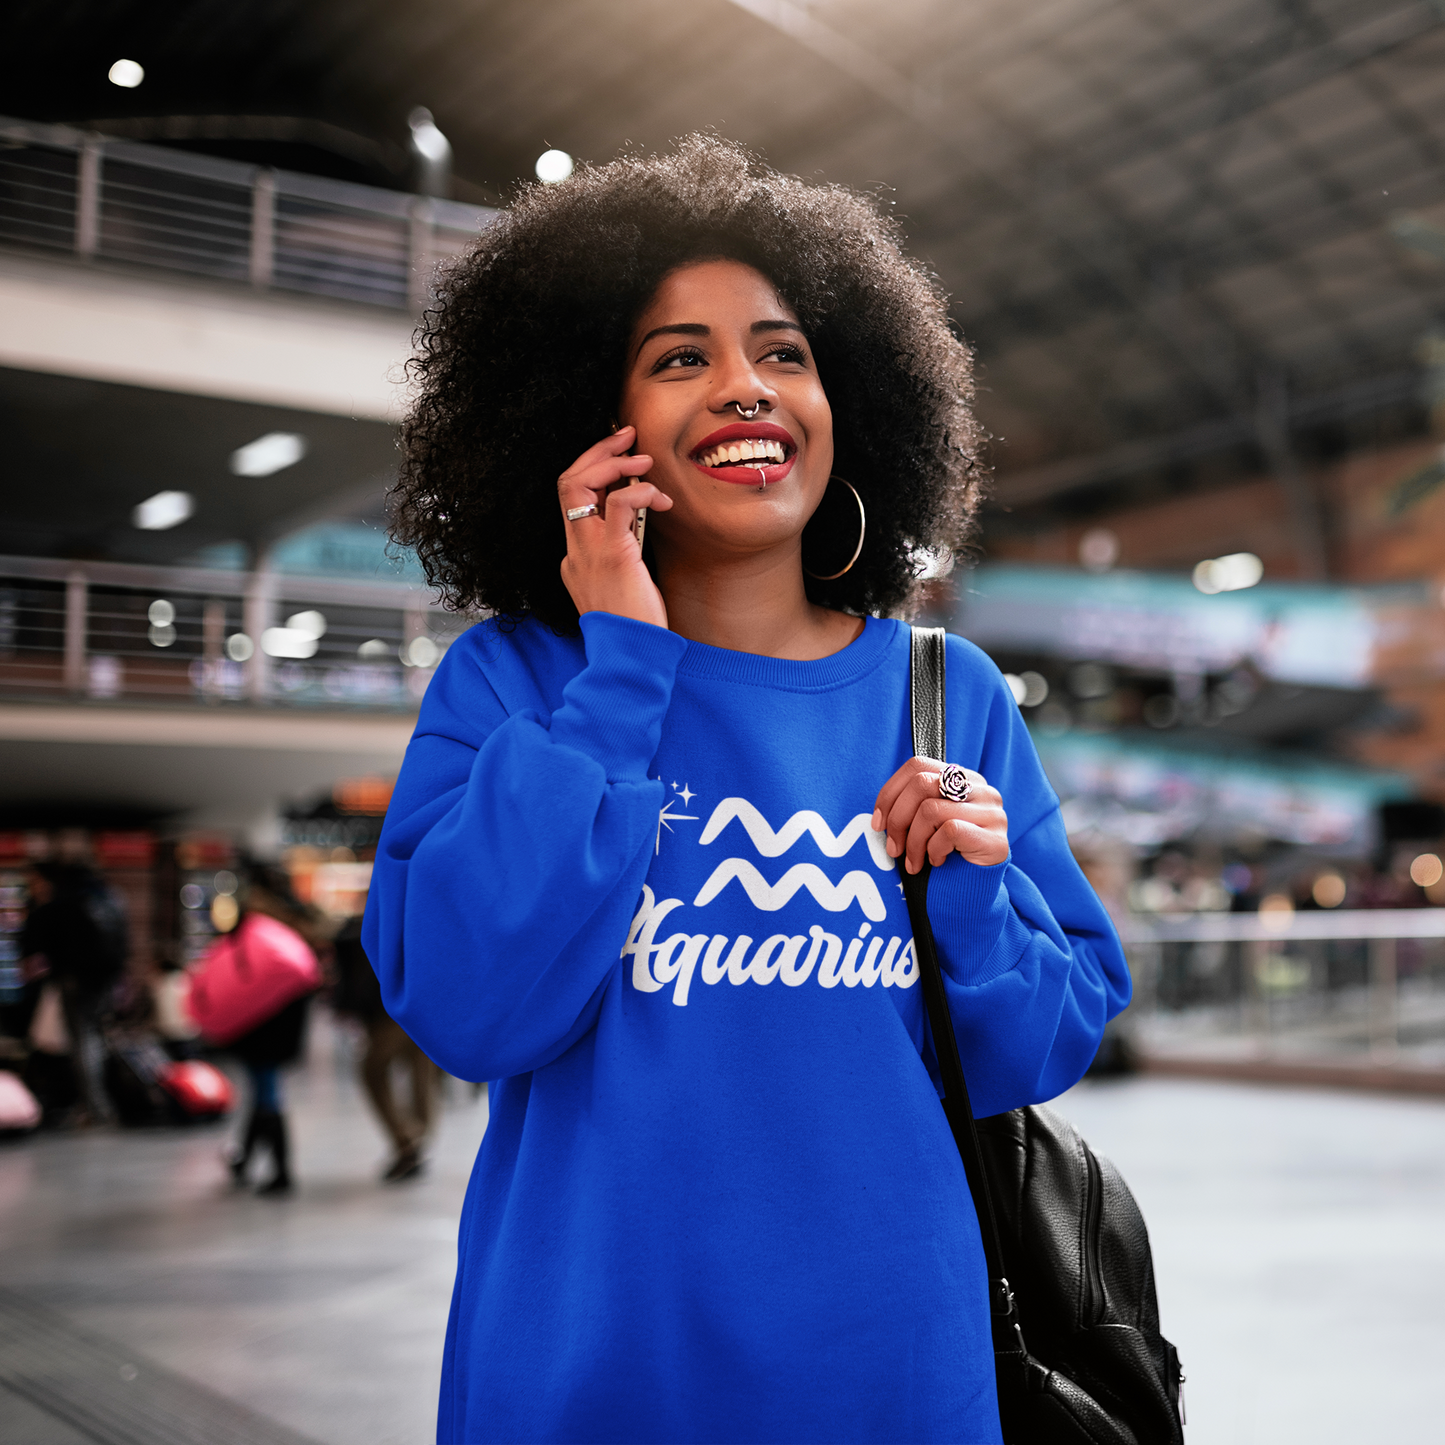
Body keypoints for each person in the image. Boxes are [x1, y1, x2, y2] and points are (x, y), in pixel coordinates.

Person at [363, 136, 1130, 1444]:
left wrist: (976, 898)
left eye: (783, 352)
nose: (745, 387)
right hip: (595, 1377)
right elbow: (465, 1008)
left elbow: (1034, 1049)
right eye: (680, 358)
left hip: (898, 1373)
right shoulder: (515, 686)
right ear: (588, 423)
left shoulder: (950, 695)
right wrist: (621, 676)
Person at [224, 865, 323, 1196]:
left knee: (266, 1092)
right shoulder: (293, 923)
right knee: (262, 1090)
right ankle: (246, 1160)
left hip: (260, 1024)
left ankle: (282, 1173)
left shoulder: (254, 926)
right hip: (283, 1023)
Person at [332, 914, 438, 1181]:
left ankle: (408, 1140)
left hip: (390, 1014)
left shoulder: (369, 924)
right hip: (416, 1007)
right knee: (420, 1072)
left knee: (373, 1071)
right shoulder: (415, 917)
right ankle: (414, 1137)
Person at [19, 862, 128, 1124]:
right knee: (96, 1036)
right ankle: (98, 1100)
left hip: (75, 981)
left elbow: (32, 942)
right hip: (106, 980)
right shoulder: (110, 899)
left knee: (82, 1041)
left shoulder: (60, 904)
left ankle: (95, 1106)